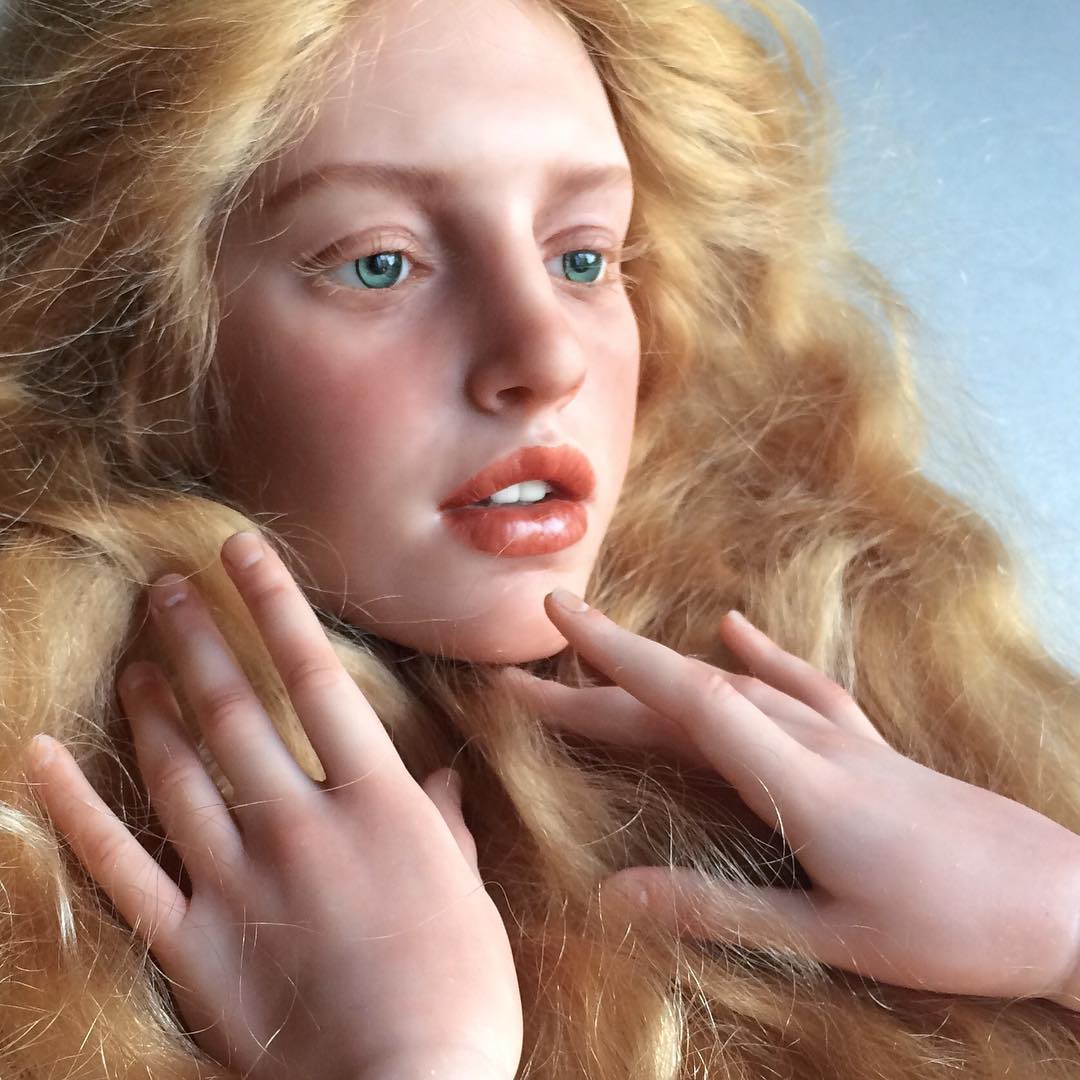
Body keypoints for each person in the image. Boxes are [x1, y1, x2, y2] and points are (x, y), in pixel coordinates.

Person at [1, 0, 1079, 1076]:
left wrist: (1061, 927)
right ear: (145, 350)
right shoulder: (37, 880)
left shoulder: (859, 719)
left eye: (583, 258)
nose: (547, 356)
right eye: (382, 264)